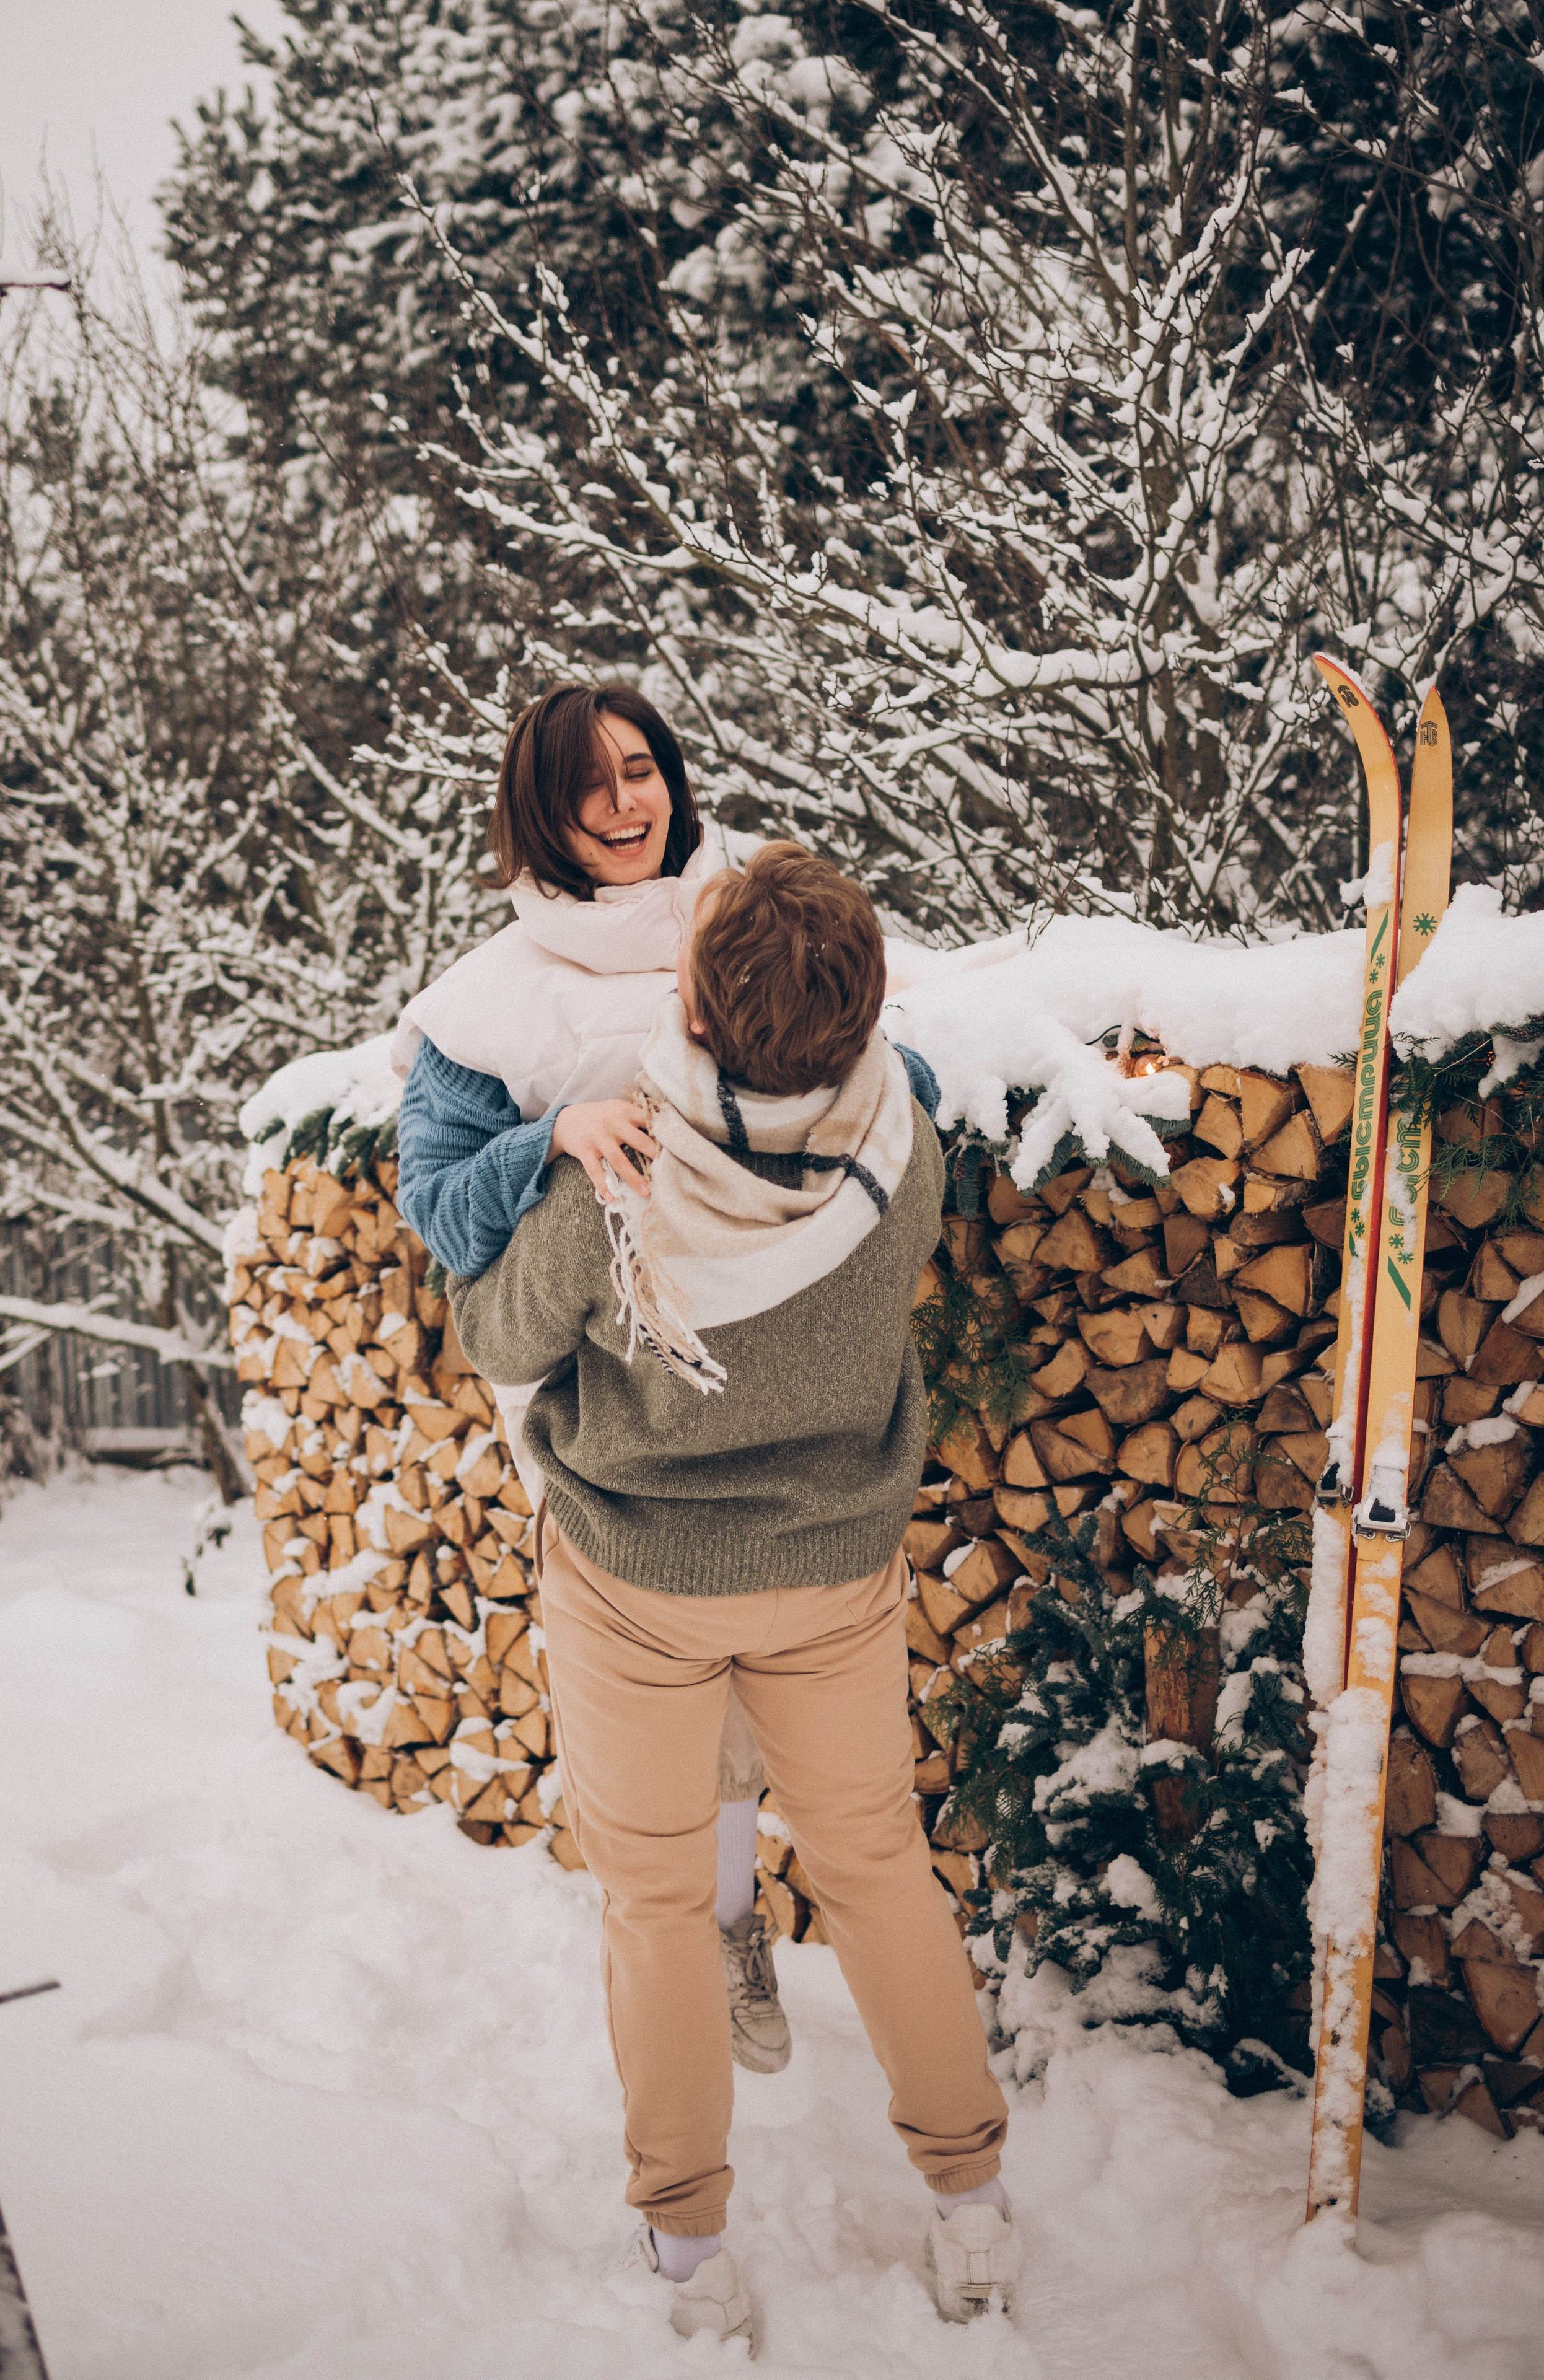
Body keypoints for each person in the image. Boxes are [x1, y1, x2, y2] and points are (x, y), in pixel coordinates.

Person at [449, 843, 1017, 2348]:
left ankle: (691, 2257)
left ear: (691, 1004)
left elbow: (497, 1328)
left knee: (652, 1906)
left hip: (635, 1582)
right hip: (833, 1571)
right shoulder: (899, 1148)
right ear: (862, 1009)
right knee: (879, 1869)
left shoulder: (617, 1176)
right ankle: (969, 2209)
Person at [390, 681, 939, 2077]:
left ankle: (720, 1935)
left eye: (644, 769)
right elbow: (444, 1214)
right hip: (624, 1394)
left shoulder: (749, 911)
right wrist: (549, 1143)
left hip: (788, 1379)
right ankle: (727, 1923)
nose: (629, 802)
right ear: (541, 810)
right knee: (683, 1741)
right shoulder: (490, 1003)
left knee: (757, 1715)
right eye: (592, 783)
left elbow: (873, 1071)